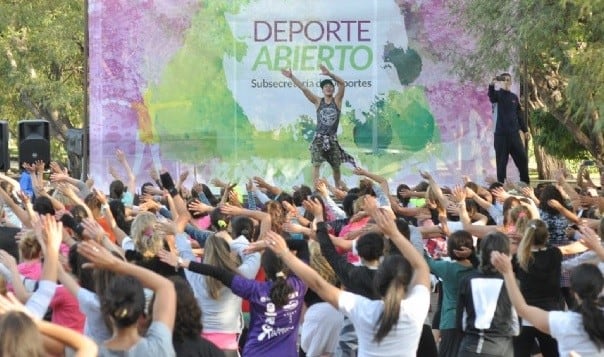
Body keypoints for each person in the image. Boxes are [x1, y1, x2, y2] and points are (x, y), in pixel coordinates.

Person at [491, 225, 604, 357]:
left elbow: (521, 308)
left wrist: (507, 272)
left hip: (529, 315)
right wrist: (597, 247)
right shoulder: (554, 253)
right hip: (551, 307)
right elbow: (549, 248)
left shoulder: (566, 322)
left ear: (573, 292)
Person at [282, 65, 356, 188]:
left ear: (333, 89)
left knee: (336, 166)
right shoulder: (318, 101)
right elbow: (303, 88)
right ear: (322, 90)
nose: (328, 88)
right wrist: (291, 77)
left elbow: (342, 84)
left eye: (331, 86)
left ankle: (338, 187)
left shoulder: (337, 101)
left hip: (332, 139)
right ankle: (317, 189)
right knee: (316, 164)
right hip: (319, 139)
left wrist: (329, 74)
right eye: (326, 86)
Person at [488, 73, 530, 184]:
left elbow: (519, 115)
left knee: (523, 159)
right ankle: (500, 188)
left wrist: (525, 130)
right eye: (504, 80)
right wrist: (491, 84)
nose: (506, 82)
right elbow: (491, 97)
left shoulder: (514, 97)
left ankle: (525, 184)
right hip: (501, 136)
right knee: (501, 164)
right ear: (501, 82)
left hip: (514, 135)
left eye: (508, 80)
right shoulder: (497, 95)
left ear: (511, 82)